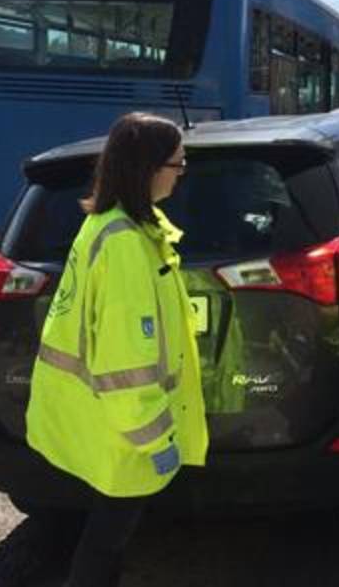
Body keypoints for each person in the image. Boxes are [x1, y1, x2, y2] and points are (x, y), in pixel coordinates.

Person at [24, 111, 208, 587]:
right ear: (148, 169)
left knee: (106, 537)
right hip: (126, 428)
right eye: (178, 165)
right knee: (106, 540)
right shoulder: (126, 244)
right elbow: (125, 362)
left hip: (103, 420)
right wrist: (156, 440)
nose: (182, 175)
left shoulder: (108, 223)